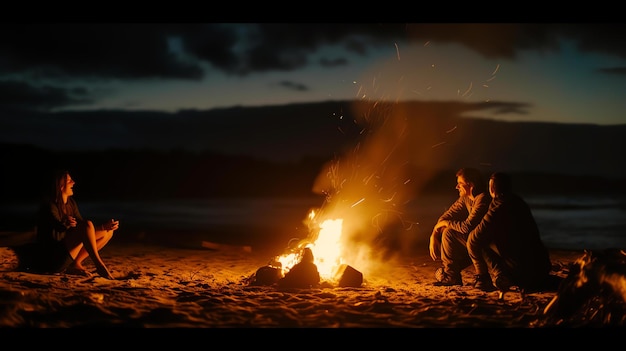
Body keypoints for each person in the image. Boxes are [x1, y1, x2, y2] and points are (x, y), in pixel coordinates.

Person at [19, 170, 119, 279]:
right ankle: (99, 265)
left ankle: (75, 264)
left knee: (108, 233)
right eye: (69, 180)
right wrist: (65, 223)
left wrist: (105, 227)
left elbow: (85, 229)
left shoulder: (71, 203)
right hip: (54, 258)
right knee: (87, 224)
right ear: (61, 186)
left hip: (66, 252)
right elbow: (57, 228)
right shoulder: (49, 205)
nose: (73, 182)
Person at [466, 172, 552, 292]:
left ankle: (495, 277)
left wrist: (481, 271)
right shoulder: (518, 202)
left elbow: (473, 239)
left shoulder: (497, 209)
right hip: (542, 265)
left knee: (481, 242)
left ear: (492, 188)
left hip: (520, 270)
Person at [429, 167, 491, 286]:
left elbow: (466, 227)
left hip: (488, 245)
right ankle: (451, 274)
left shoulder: (483, 199)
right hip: (473, 242)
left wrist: (446, 224)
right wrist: (434, 234)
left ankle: (478, 276)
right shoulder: (465, 199)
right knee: (448, 231)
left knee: (449, 232)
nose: (457, 187)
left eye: (460, 184)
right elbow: (446, 217)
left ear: (471, 185)